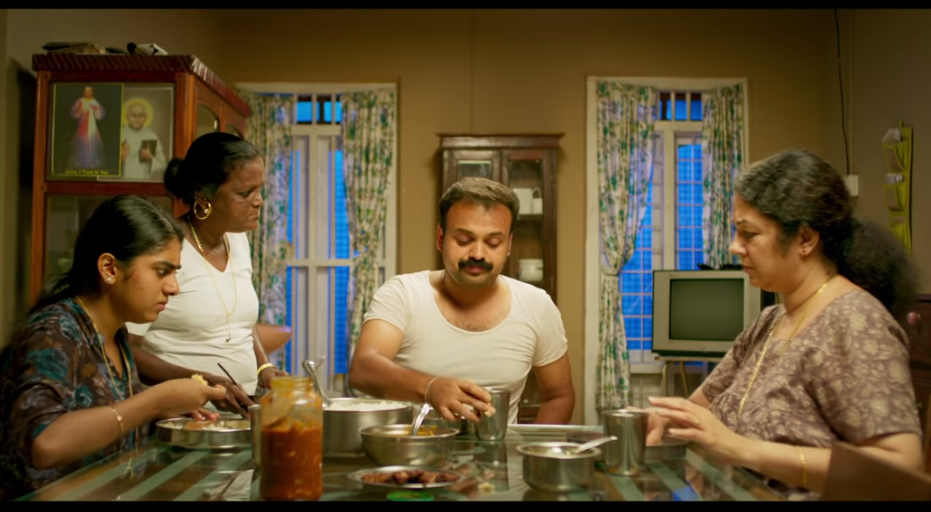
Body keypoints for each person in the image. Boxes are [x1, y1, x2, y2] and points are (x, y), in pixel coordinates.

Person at [644, 149, 923, 500]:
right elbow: (699, 409)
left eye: (749, 234)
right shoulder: (770, 320)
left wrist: (742, 449)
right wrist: (662, 418)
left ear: (805, 239)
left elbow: (900, 467)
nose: (734, 247)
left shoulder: (856, 321)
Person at [0, 195, 228, 500]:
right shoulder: (54, 330)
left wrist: (166, 409)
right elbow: (45, 443)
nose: (174, 287)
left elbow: (106, 408)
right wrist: (155, 401)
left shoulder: (116, 334)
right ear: (109, 268)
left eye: (175, 272)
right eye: (162, 271)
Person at [349, 177, 575, 425]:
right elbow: (363, 368)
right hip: (414, 448)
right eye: (464, 240)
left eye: (493, 243)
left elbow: (559, 396)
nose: (477, 254)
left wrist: (532, 449)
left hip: (499, 450)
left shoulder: (537, 305)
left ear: (509, 245)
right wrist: (429, 388)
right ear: (440, 238)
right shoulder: (404, 293)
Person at [126, 132, 288, 418]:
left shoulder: (237, 240)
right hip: (184, 418)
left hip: (237, 415)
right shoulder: (165, 250)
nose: (259, 201)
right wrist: (200, 381)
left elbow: (240, 321)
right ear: (203, 196)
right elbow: (126, 349)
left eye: (259, 190)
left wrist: (264, 367)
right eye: (245, 193)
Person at [120, 97, 168, 181]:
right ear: (127, 117)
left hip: (145, 183)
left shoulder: (151, 136)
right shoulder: (121, 135)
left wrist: (150, 158)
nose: (137, 119)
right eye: (133, 115)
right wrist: (122, 158)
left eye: (141, 115)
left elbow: (163, 166)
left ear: (146, 117)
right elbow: (108, 167)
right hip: (124, 183)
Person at [70, 85, 105, 169]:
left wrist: (97, 109)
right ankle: (81, 162)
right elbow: (74, 114)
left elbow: (100, 115)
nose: (88, 93)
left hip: (92, 125)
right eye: (86, 91)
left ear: (92, 92)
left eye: (89, 91)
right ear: (84, 92)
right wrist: (79, 109)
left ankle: (92, 162)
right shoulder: (80, 101)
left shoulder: (94, 101)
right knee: (82, 143)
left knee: (92, 143)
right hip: (82, 125)